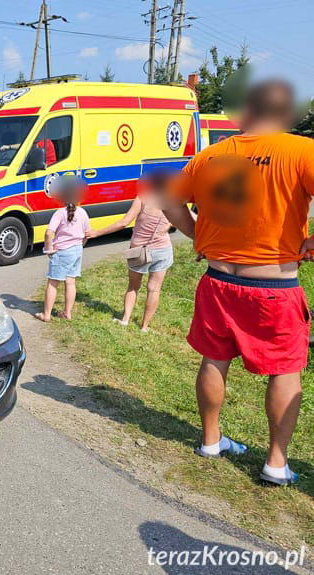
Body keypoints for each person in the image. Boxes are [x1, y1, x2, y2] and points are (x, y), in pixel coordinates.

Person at [163, 79, 314, 486]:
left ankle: (211, 441)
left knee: (214, 358)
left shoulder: (210, 155)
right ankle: (276, 463)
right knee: (285, 369)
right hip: (274, 287)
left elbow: (169, 201)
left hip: (218, 280)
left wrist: (199, 236)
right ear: (285, 113)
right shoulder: (302, 150)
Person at [87, 171, 177, 331]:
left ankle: (125, 319)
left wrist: (96, 233)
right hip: (162, 250)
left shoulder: (143, 199)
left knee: (133, 286)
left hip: (139, 250)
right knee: (154, 288)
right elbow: (173, 223)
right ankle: (144, 326)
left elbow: (124, 223)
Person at [36, 177, 90, 322]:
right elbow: (87, 234)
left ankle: (46, 315)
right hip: (77, 250)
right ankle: (67, 313)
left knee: (53, 283)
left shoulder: (60, 213)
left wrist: (49, 248)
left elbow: (49, 233)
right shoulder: (83, 213)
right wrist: (81, 244)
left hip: (62, 252)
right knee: (70, 282)